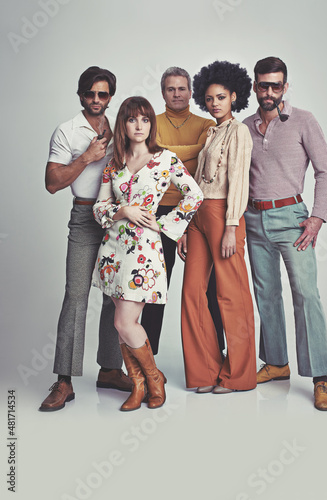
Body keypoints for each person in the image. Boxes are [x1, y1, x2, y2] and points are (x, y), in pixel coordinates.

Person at [92, 96, 203, 411]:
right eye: (131, 119)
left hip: (144, 250)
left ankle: (154, 379)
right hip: (113, 250)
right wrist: (121, 209)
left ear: (150, 125)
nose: (138, 125)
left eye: (144, 119)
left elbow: (194, 194)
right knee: (121, 322)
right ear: (123, 125)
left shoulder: (164, 159)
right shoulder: (114, 161)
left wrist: (166, 225)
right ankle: (139, 385)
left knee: (125, 322)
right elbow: (100, 208)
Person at [243, 56, 327, 411]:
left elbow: (326, 172)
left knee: (305, 294)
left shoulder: (303, 121)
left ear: (285, 86)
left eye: (276, 85)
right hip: (254, 218)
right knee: (265, 293)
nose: (269, 92)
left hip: (293, 218)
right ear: (254, 86)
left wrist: (317, 218)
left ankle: (320, 378)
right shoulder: (244, 126)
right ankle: (277, 362)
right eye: (263, 85)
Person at [40, 67, 132, 412]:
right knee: (77, 296)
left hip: (117, 219)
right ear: (81, 95)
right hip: (84, 218)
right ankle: (64, 380)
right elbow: (52, 182)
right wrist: (87, 158)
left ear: (111, 97)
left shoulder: (121, 127)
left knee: (115, 297)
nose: (96, 100)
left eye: (103, 94)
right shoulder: (67, 130)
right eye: (90, 94)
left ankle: (109, 369)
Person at [180, 60, 256, 394]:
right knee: (192, 294)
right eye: (209, 98)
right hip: (198, 215)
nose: (214, 103)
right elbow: (198, 182)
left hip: (224, 213)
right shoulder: (211, 132)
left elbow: (239, 182)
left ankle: (238, 376)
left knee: (231, 295)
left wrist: (230, 227)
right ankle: (207, 371)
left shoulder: (239, 131)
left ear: (234, 96)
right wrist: (184, 225)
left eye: (221, 97)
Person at [140, 67, 224, 355]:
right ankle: (149, 360)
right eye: (170, 89)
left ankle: (217, 353)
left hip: (196, 208)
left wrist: (165, 151)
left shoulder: (206, 123)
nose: (176, 94)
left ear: (191, 91)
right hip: (158, 211)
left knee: (209, 286)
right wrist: (192, 149)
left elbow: (164, 152)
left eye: (181, 88)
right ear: (162, 92)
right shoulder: (152, 121)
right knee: (156, 285)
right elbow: (152, 152)